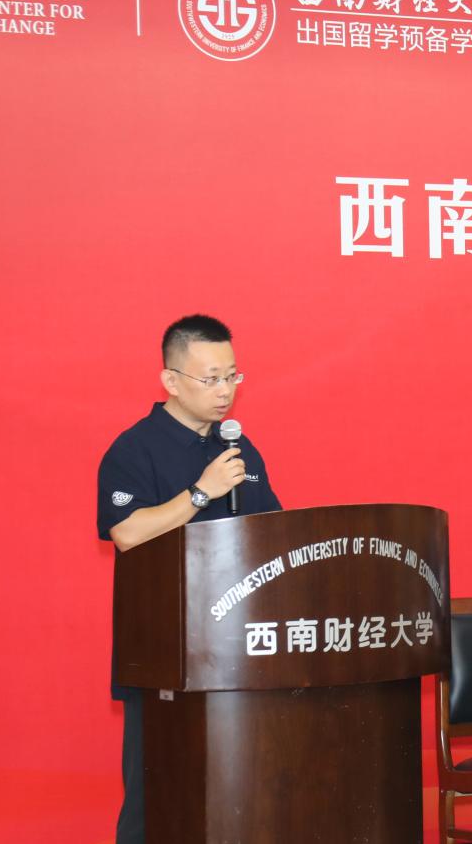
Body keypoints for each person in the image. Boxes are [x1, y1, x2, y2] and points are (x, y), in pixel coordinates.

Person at [98, 314, 283, 844]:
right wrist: (201, 493)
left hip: (240, 649)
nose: (225, 391)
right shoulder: (134, 449)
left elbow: (273, 531)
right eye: (211, 378)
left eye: (232, 376)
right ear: (171, 380)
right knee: (158, 796)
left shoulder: (239, 448)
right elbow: (127, 532)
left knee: (238, 790)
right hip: (166, 648)